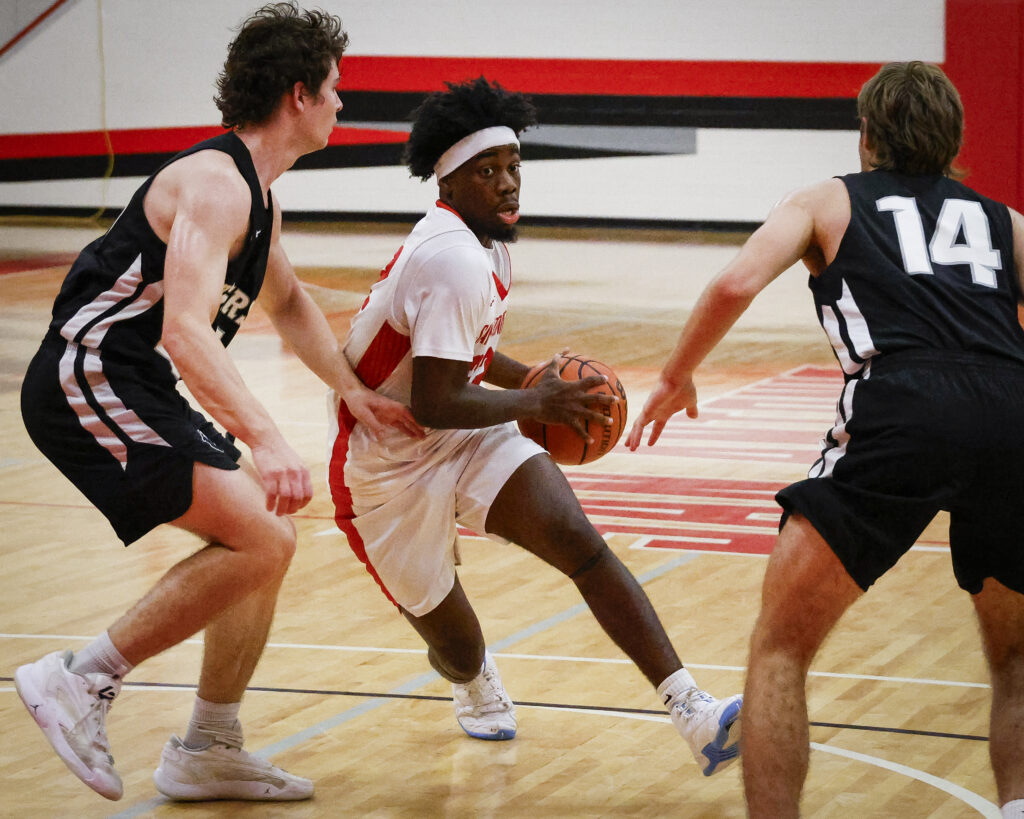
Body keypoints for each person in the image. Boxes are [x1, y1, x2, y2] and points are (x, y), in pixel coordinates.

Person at [15, 2, 419, 803]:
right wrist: (268, 438)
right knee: (262, 535)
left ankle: (210, 742)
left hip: (134, 377)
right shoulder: (213, 183)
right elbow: (186, 332)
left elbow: (292, 301)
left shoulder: (260, 198)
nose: (344, 103)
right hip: (86, 372)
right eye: (336, 88)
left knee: (266, 540)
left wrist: (355, 392)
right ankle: (78, 677)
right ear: (299, 95)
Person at [627, 61, 1024, 817]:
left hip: (902, 404)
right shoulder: (1003, 220)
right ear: (954, 138)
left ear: (867, 133)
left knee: (781, 644)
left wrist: (677, 375)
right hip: (1013, 409)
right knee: (1016, 659)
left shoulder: (828, 198)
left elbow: (736, 283)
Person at [326, 76, 742, 776]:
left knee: (581, 543)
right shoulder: (451, 257)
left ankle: (693, 711)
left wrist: (520, 378)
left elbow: (463, 359)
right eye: (487, 172)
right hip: (386, 462)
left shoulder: (487, 246)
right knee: (455, 646)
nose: (508, 183)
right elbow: (432, 399)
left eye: (514, 167)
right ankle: (471, 674)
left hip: (463, 430)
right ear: (448, 184)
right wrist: (536, 404)